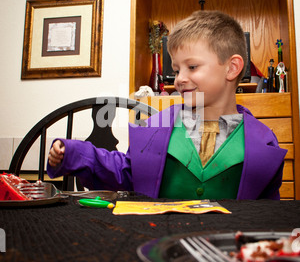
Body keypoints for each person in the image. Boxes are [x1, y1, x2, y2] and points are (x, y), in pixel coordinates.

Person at [47, 10, 287, 200]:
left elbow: (265, 211)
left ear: (232, 68)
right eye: (176, 70)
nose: (180, 79)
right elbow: (125, 172)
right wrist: (76, 153)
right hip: (161, 244)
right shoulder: (155, 128)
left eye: (192, 67)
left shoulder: (264, 142)